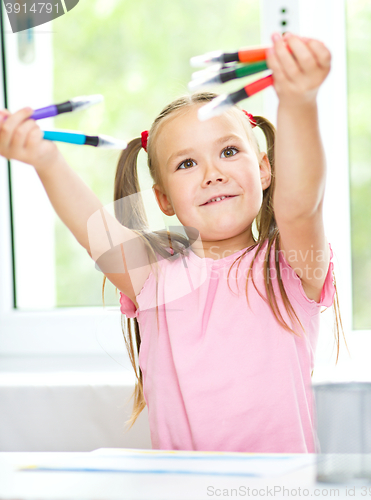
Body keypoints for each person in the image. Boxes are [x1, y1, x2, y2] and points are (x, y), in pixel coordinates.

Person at [0, 32, 341, 453]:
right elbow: (96, 232)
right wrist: (46, 159)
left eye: (230, 152)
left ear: (265, 169)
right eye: (186, 163)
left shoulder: (289, 265)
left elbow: (300, 205)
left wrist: (299, 101)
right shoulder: (153, 278)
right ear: (163, 198)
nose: (212, 173)